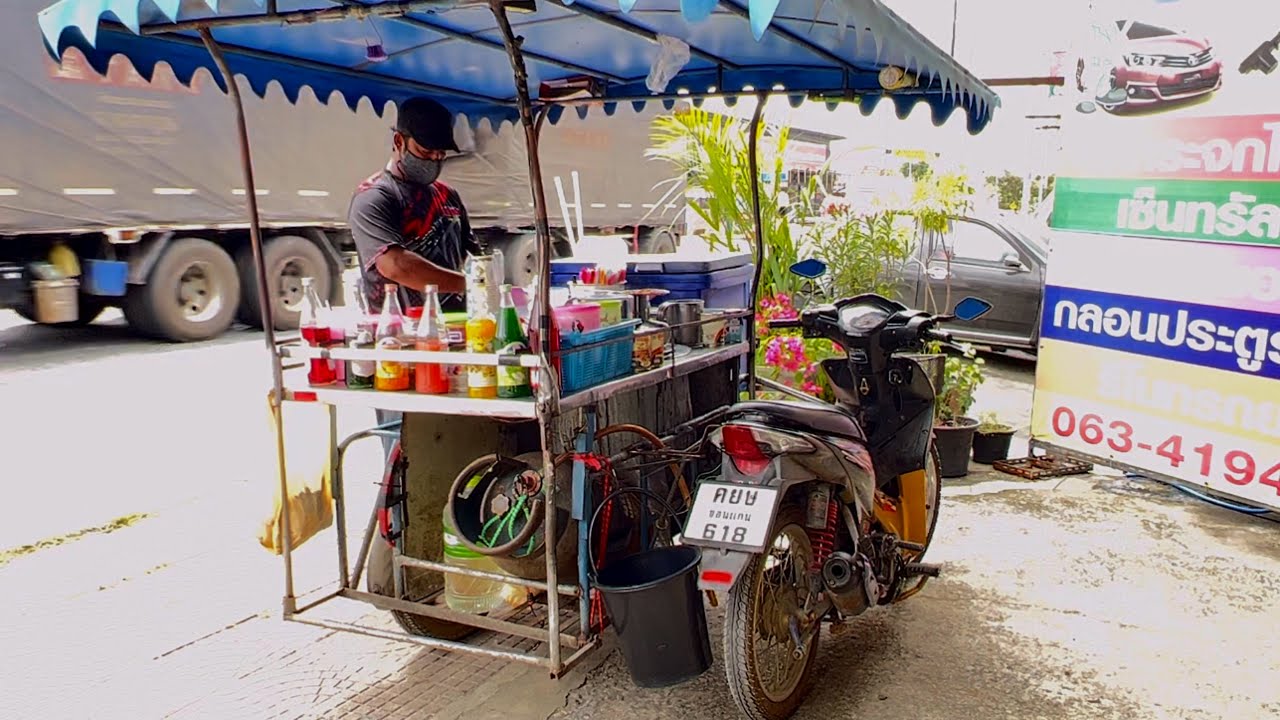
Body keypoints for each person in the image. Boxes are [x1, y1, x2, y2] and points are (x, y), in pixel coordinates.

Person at [347, 96, 482, 455]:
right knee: (407, 461)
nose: (435, 161)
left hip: (457, 347)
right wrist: (468, 283)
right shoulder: (375, 198)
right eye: (426, 151)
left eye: (441, 154)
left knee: (460, 452)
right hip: (401, 351)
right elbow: (396, 265)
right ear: (398, 143)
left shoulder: (448, 196)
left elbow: (474, 257)